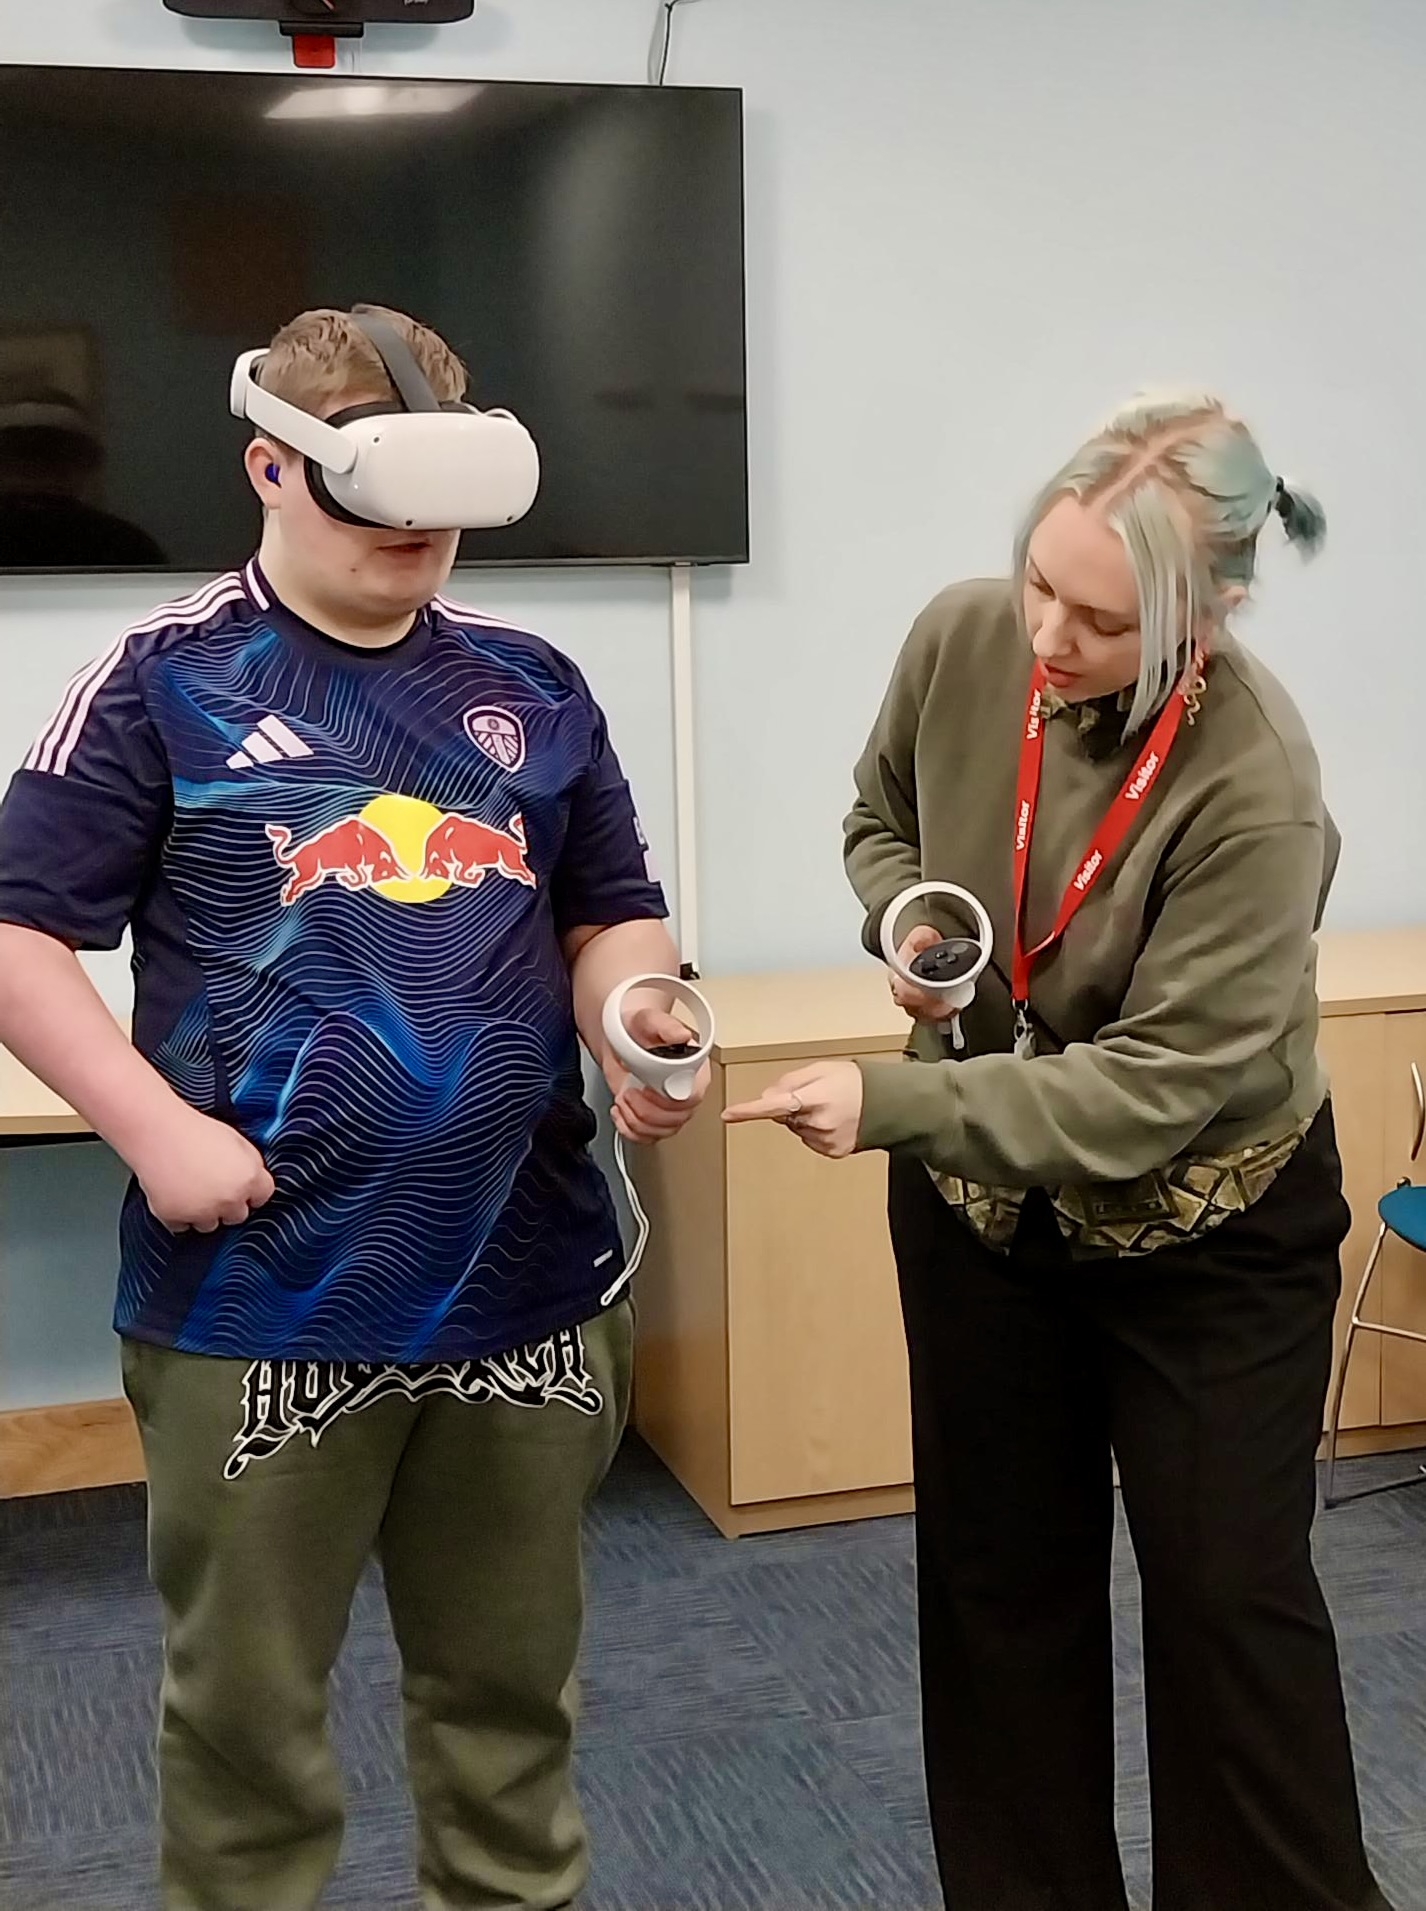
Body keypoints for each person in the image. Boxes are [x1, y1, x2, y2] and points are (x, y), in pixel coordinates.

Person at [0, 305, 705, 1911]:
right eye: (379, 502)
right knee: (248, 1730)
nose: (418, 541)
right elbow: (18, 934)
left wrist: (634, 1017)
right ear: (270, 466)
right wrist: (154, 1131)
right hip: (260, 1295)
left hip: (524, 1279)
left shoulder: (530, 681)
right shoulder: (163, 679)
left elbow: (609, 907)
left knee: (509, 1708)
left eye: (448, 509)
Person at [725, 392, 1391, 1911]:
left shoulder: (1255, 782)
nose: (1045, 635)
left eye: (1098, 620)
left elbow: (1143, 1094)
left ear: (1204, 614)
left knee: (1227, 1604)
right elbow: (881, 817)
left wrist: (889, 1100)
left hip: (1204, 1228)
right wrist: (913, 925)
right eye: (1038, 581)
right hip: (982, 1215)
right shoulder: (963, 638)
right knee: (996, 1591)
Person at [0, 386, 166, 567]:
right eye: (24, 453)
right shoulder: (129, 545)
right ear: (87, 464)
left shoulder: (129, 545)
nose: (35, 464)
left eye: (50, 453)